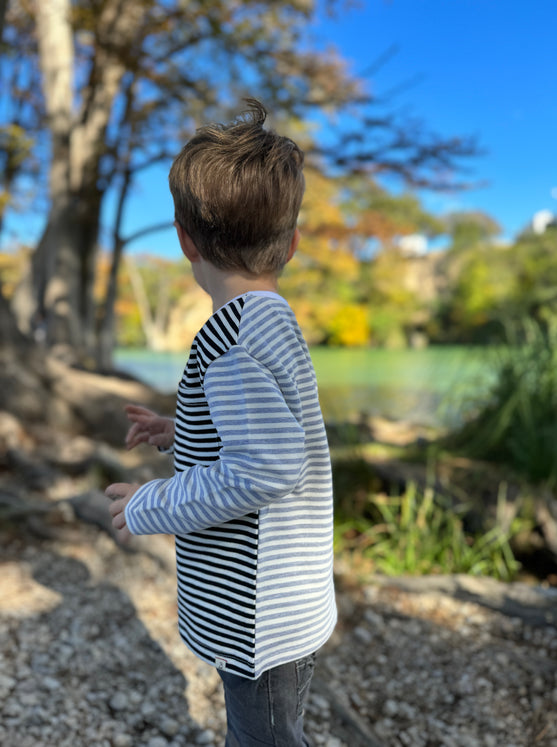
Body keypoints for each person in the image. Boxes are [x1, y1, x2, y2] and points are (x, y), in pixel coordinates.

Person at [106, 99, 337, 747]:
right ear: (290, 244)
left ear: (183, 240)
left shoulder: (232, 339)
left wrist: (152, 502)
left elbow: (266, 465)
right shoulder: (272, 321)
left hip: (261, 619)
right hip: (288, 600)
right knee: (274, 727)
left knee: (262, 737)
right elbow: (259, 431)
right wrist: (181, 429)